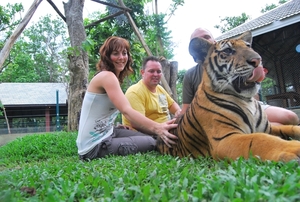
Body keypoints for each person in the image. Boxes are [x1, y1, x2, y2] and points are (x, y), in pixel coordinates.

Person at [76, 36, 178, 161]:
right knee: (152, 141)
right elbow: (126, 111)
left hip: (109, 133)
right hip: (93, 147)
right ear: (107, 56)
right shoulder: (107, 77)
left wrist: (112, 126)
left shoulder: (113, 78)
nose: (121, 57)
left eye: (124, 53)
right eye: (115, 53)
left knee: (144, 137)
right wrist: (157, 128)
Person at [181, 27, 299, 126]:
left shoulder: (238, 60)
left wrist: (253, 80)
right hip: (215, 115)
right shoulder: (191, 75)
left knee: (290, 117)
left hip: (246, 105)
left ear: (215, 41)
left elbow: (254, 98)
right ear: (197, 52)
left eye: (207, 36)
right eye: (199, 40)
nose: (203, 40)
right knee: (275, 127)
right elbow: (186, 110)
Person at [122, 56, 181, 129]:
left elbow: (172, 105)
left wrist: (178, 111)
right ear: (142, 73)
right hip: (145, 134)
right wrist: (161, 128)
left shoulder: (160, 89)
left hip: (164, 129)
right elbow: (138, 124)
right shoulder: (135, 92)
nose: (155, 74)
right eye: (151, 71)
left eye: (158, 71)